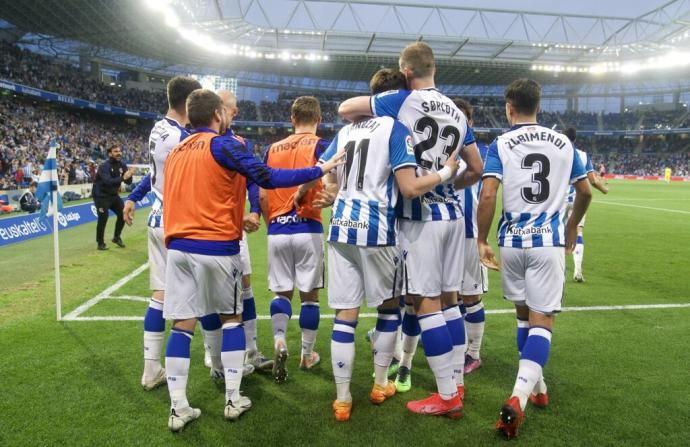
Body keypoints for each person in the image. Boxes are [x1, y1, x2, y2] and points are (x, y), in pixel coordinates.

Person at [160, 89, 344, 431]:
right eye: (227, 112)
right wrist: (320, 168)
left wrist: (241, 213)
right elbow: (268, 178)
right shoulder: (224, 144)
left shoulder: (176, 152)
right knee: (232, 319)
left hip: (177, 247)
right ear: (217, 114)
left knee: (182, 325)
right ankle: (233, 398)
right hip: (214, 245)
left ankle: (178, 407)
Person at [339, 42, 484, 418]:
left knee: (425, 304)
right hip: (453, 217)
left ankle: (448, 397)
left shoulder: (401, 99)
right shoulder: (456, 110)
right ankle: (457, 382)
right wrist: (450, 184)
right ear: (435, 69)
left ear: (406, 72)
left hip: (418, 218)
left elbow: (346, 110)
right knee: (451, 301)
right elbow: (477, 167)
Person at [306, 68, 460, 421]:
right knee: (389, 309)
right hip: (377, 229)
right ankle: (379, 385)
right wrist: (446, 172)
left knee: (345, 316)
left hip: (342, 228)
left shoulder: (345, 131)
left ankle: (343, 398)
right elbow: (408, 187)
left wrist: (332, 191)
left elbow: (326, 168)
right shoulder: (396, 129)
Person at [476, 79, 592, 439]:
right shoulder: (564, 144)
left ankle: (538, 389)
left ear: (510, 107)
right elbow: (585, 190)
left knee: (524, 318)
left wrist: (481, 239)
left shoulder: (500, 143)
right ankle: (518, 398)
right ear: (538, 106)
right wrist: (572, 226)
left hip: (511, 242)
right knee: (543, 321)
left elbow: (488, 194)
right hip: (548, 243)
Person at [123, 76, 203, 391]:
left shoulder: (158, 128)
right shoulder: (183, 138)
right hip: (178, 222)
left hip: (156, 217)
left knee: (160, 295)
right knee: (194, 299)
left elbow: (156, 173)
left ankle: (151, 369)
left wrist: (133, 197)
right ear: (190, 101)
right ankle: (206, 372)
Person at [260, 96, 331, 382]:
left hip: (278, 228)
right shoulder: (321, 145)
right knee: (310, 296)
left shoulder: (271, 149)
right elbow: (331, 181)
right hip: (308, 227)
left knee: (281, 294)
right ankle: (307, 354)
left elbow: (263, 194)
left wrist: (272, 223)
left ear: (292, 119)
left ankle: (279, 339)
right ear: (319, 119)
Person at [210, 89, 273, 373]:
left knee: (245, 288)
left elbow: (253, 181)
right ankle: (214, 355)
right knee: (208, 292)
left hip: (235, 231)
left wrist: (256, 212)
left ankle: (251, 351)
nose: (217, 110)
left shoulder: (239, 143)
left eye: (222, 106)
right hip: (206, 230)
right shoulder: (199, 141)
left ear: (232, 112)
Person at [452, 98, 489, 374]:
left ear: (471, 123)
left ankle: (473, 353)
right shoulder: (440, 149)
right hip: (441, 231)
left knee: (470, 295)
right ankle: (457, 343)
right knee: (444, 295)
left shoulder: (477, 154)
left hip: (466, 233)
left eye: (465, 119)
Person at [563, 128, 609, 283]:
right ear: (575, 139)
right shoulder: (582, 155)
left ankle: (558, 271)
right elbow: (592, 180)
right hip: (577, 201)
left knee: (555, 233)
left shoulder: (555, 151)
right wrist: (604, 190)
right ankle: (577, 271)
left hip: (559, 201)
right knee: (578, 232)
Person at [93, 144, 134, 250]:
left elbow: (128, 182)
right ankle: (100, 243)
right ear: (110, 154)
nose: (119, 153)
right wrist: (123, 177)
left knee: (122, 214)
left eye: (119, 151)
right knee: (103, 218)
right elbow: (108, 181)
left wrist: (130, 175)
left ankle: (116, 237)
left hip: (113, 195)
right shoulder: (104, 166)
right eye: (115, 151)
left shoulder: (122, 165)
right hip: (101, 195)